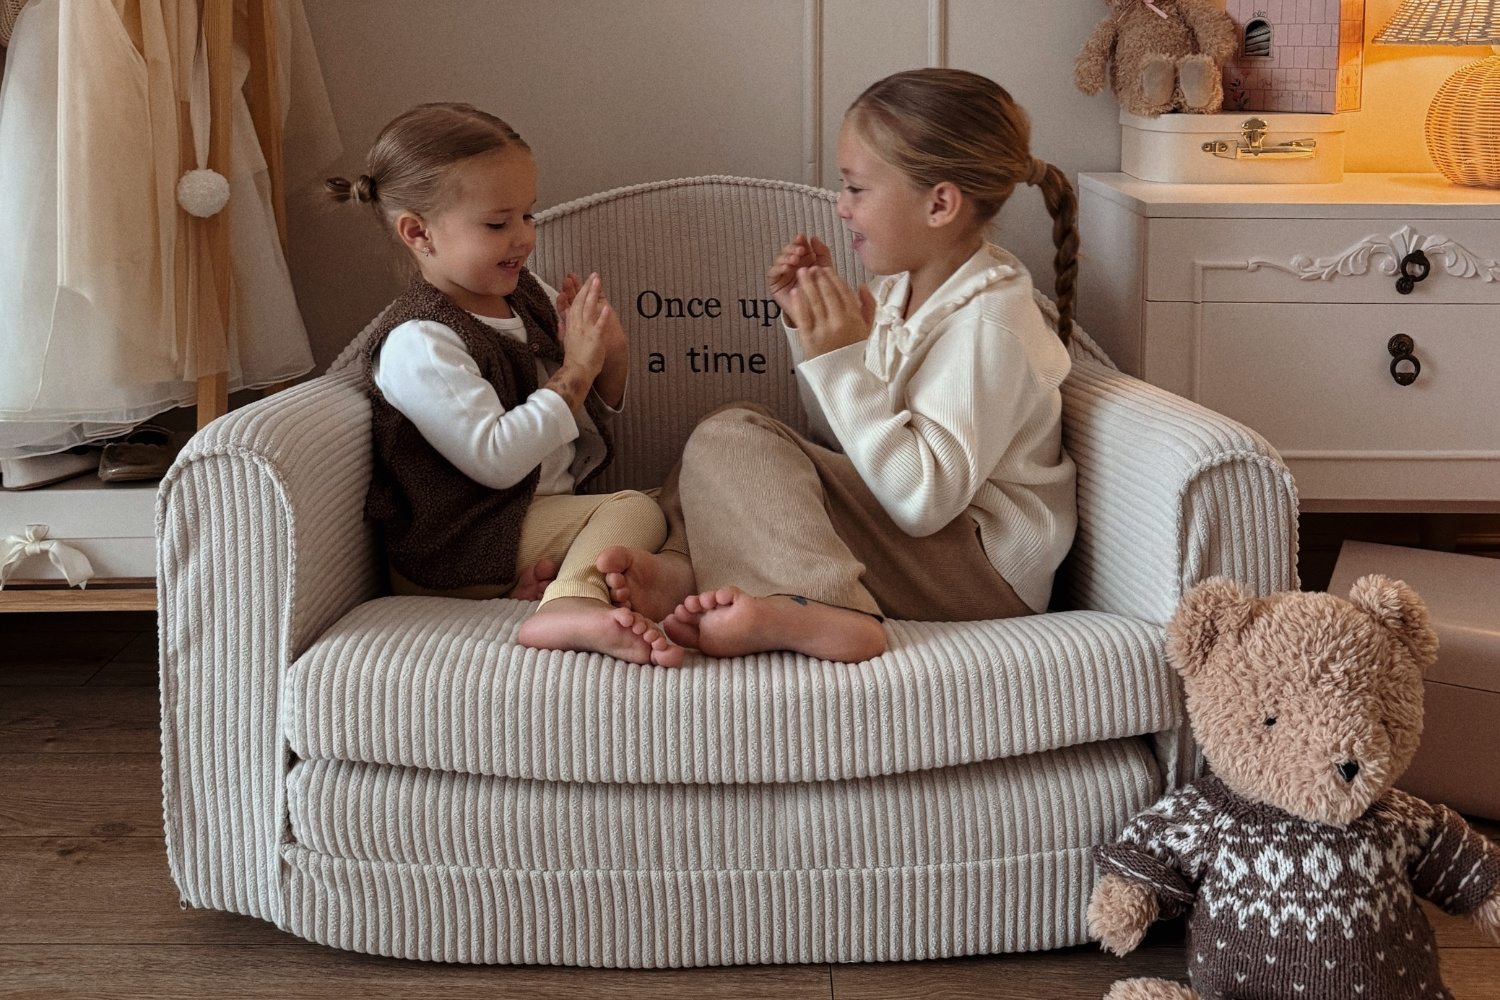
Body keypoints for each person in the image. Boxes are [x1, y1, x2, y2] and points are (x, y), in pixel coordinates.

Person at [598, 69, 1079, 662]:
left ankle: (823, 606)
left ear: (939, 204)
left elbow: (921, 500)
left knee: (733, 438)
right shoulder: (903, 290)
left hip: (981, 570)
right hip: (929, 548)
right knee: (733, 427)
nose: (841, 206)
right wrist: (814, 336)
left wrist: (842, 360)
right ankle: (687, 568)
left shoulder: (990, 325)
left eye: (856, 188)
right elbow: (843, 443)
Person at [329, 102, 680, 666]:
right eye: (498, 224)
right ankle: (570, 601)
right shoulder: (421, 341)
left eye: (528, 216)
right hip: (464, 542)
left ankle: (568, 582)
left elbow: (586, 415)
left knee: (684, 504)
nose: (523, 238)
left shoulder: (524, 295)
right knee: (635, 509)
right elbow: (495, 459)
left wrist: (607, 355)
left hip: (529, 522)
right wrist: (575, 370)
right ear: (419, 233)